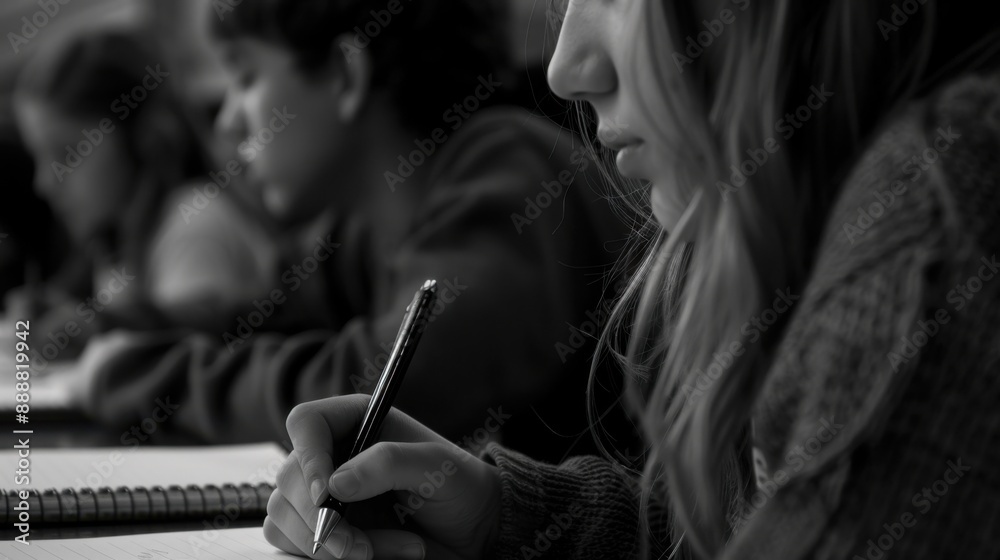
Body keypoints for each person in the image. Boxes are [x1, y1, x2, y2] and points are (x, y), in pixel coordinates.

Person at [265, 1, 1000, 559]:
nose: (566, 67)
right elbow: (744, 529)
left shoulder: (939, 222)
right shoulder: (823, 216)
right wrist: (504, 516)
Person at [74, 0, 630, 460]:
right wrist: (102, 329)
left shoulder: (509, 170)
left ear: (345, 75)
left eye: (246, 77)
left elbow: (376, 396)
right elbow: (259, 318)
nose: (227, 121)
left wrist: (144, 377)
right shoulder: (365, 231)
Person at [11, 28, 283, 365]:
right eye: (38, 156)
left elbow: (175, 382)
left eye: (68, 154)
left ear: (144, 139)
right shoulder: (118, 242)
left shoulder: (193, 227)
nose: (44, 183)